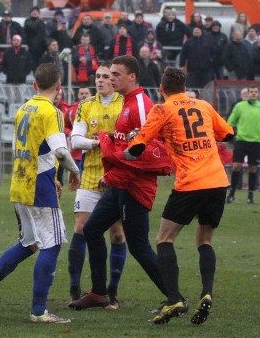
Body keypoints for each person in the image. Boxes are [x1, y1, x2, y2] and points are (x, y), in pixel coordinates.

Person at [0, 63, 80, 323]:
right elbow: (60, 151)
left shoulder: (24, 108)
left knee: (29, 244)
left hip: (20, 183)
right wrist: (75, 171)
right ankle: (39, 311)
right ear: (59, 87)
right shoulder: (51, 111)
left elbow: (36, 149)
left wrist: (53, 176)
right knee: (52, 245)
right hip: (38, 187)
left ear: (34, 85)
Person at [124, 67, 234, 324]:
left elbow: (136, 148)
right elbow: (228, 134)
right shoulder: (204, 106)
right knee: (204, 241)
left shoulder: (162, 109)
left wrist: (128, 142)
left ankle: (174, 298)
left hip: (190, 183)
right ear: (185, 88)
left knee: (164, 239)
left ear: (161, 90)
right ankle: (206, 293)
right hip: (217, 181)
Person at [73, 55, 174, 312]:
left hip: (134, 187)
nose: (111, 78)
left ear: (132, 77)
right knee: (92, 229)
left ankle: (175, 298)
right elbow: (126, 146)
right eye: (109, 74)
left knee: (139, 246)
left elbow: (148, 152)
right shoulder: (127, 103)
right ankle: (99, 293)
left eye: (116, 74)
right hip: (120, 184)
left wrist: (114, 170)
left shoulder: (140, 104)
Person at [67, 64, 127, 308]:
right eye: (98, 77)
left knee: (117, 234)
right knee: (81, 228)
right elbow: (75, 139)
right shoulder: (86, 105)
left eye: (105, 76)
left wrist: (105, 144)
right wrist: (96, 143)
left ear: (114, 80)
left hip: (116, 175)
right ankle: (74, 289)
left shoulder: (124, 104)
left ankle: (111, 291)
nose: (100, 80)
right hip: (90, 174)